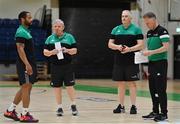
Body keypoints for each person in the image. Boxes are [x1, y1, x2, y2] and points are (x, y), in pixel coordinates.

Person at [4, 11, 39, 123]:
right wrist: (27, 64)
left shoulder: (26, 31)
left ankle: (10, 110)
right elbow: (20, 49)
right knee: (26, 87)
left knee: (26, 87)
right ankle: (24, 114)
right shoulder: (21, 32)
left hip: (29, 63)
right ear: (22, 19)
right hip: (25, 63)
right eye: (29, 17)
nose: (31, 19)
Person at [108, 10, 144, 114]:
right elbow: (110, 44)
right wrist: (118, 47)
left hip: (131, 61)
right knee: (120, 84)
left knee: (132, 84)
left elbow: (141, 45)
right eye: (122, 16)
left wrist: (129, 49)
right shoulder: (116, 29)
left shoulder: (136, 30)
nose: (123, 18)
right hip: (119, 61)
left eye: (126, 16)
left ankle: (133, 106)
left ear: (130, 18)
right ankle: (121, 106)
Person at [43, 19, 78, 116]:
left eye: (59, 26)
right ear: (53, 28)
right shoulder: (49, 38)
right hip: (55, 67)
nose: (57, 28)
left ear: (63, 27)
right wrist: (51, 52)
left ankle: (73, 105)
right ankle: (59, 107)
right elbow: (45, 52)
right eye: (55, 26)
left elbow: (75, 50)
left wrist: (67, 50)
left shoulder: (69, 37)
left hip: (67, 66)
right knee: (57, 87)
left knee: (69, 86)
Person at [142, 12, 169, 122]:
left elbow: (166, 47)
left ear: (153, 19)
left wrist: (151, 52)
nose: (146, 24)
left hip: (160, 63)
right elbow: (150, 49)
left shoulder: (162, 31)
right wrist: (145, 54)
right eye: (145, 23)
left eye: (148, 22)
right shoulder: (149, 33)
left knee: (160, 89)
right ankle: (155, 111)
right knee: (152, 89)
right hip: (152, 64)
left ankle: (164, 113)